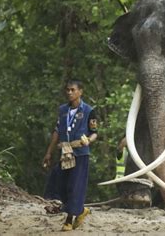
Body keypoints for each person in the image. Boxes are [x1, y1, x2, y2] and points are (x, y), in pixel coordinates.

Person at [42, 79, 98, 231]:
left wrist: (88, 141)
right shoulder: (62, 110)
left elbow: (94, 133)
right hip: (64, 153)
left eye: (73, 90)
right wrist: (49, 152)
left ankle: (68, 219)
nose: (69, 93)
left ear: (81, 91)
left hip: (80, 153)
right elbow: (56, 131)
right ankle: (81, 211)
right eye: (67, 90)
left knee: (75, 185)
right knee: (60, 182)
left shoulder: (88, 111)